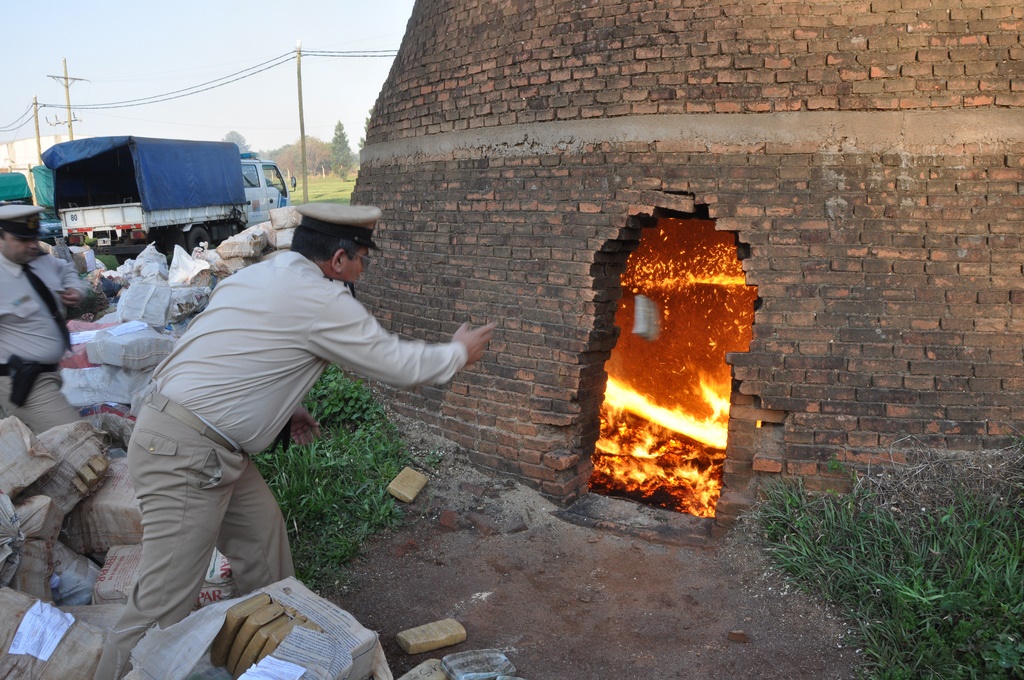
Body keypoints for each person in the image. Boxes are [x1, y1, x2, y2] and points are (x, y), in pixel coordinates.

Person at [94, 202, 495, 679]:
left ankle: (279, 660)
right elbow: (395, 363)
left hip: (204, 441)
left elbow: (225, 347)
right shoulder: (322, 299)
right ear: (340, 258)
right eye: (364, 259)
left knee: (264, 547)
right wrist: (456, 354)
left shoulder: (263, 275)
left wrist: (282, 410)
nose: (363, 271)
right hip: (188, 452)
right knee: (161, 606)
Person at [0, 204, 85, 433]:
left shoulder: (40, 260)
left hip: (51, 374)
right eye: (22, 239)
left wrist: (75, 290)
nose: (32, 245)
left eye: (34, 238)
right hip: (24, 384)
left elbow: (66, 269)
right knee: (81, 443)